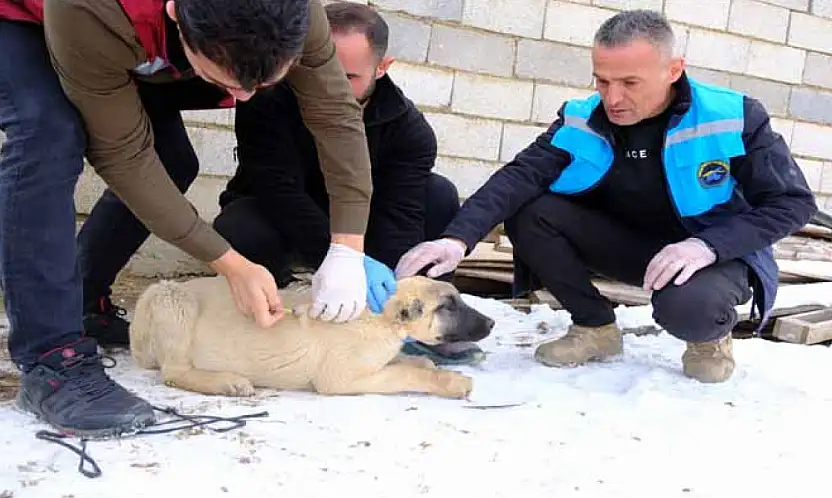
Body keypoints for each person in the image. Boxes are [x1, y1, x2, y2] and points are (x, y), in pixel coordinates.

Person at [0, 0, 380, 437]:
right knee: (47, 132)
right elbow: (123, 155)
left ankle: (85, 302)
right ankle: (53, 361)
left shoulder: (295, 9)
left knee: (171, 159)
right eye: (226, 81)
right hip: (19, 18)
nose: (244, 98)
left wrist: (348, 246)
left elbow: (333, 112)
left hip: (118, 31)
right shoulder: (92, 9)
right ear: (178, 13)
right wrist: (228, 262)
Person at [395, 9, 817, 383]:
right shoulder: (582, 118)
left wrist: (708, 245)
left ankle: (709, 337)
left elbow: (793, 203)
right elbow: (520, 176)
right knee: (531, 209)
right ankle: (595, 327)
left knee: (692, 308)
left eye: (630, 82)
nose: (613, 98)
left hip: (710, 255)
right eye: (602, 80)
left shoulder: (732, 117)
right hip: (628, 247)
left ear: (673, 70)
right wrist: (456, 239)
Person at [212, 1, 482, 365]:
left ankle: (421, 324)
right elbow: (276, 188)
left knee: (439, 195)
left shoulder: (409, 131)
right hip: (288, 213)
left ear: (382, 68)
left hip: (361, 221)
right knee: (238, 226)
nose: (330, 87)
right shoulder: (267, 98)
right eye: (321, 69)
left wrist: (386, 288)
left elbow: (399, 216)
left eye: (349, 77)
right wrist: (339, 255)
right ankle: (274, 305)